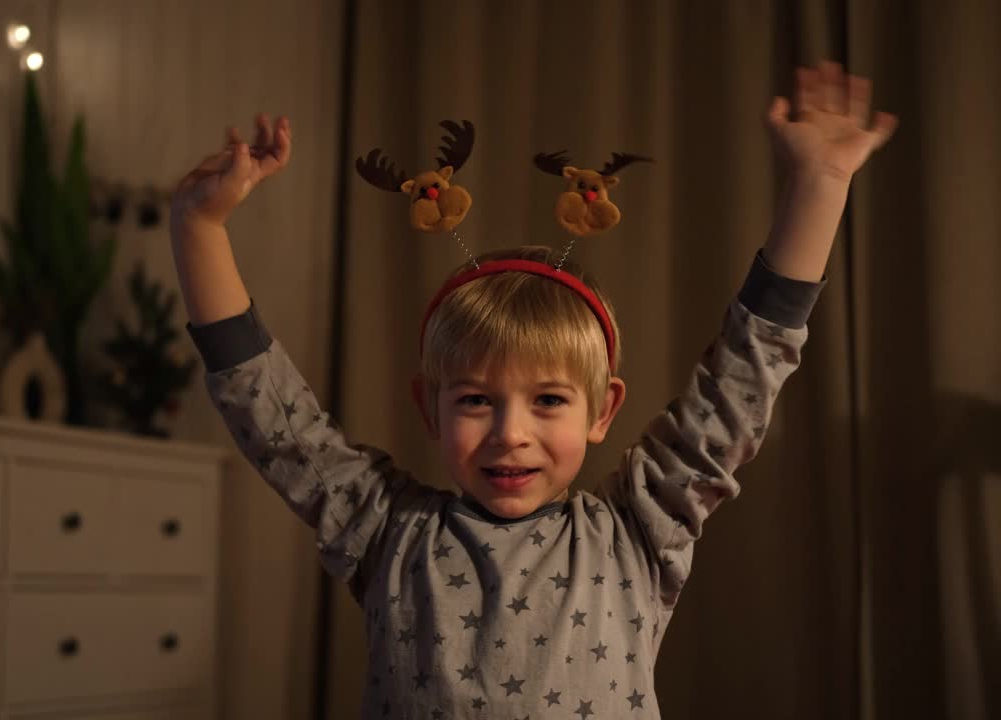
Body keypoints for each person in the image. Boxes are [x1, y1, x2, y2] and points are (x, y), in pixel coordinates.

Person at [169, 60, 896, 719]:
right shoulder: (385, 530)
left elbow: (744, 376)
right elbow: (271, 416)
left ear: (602, 409)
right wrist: (200, 226)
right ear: (431, 406)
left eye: (548, 399)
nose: (509, 432)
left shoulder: (640, 528)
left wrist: (820, 185)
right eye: (477, 399)